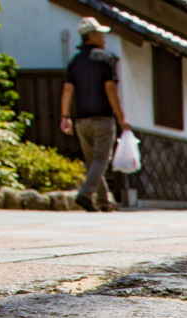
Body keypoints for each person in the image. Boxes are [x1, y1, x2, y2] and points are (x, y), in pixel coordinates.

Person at [60, 17, 130, 212]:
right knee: (101, 160)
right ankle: (85, 194)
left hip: (81, 119)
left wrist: (65, 116)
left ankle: (104, 201)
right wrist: (121, 117)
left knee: (93, 161)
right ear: (91, 36)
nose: (104, 37)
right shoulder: (105, 58)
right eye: (101, 33)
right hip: (102, 118)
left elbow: (67, 90)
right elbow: (110, 89)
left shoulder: (75, 61)